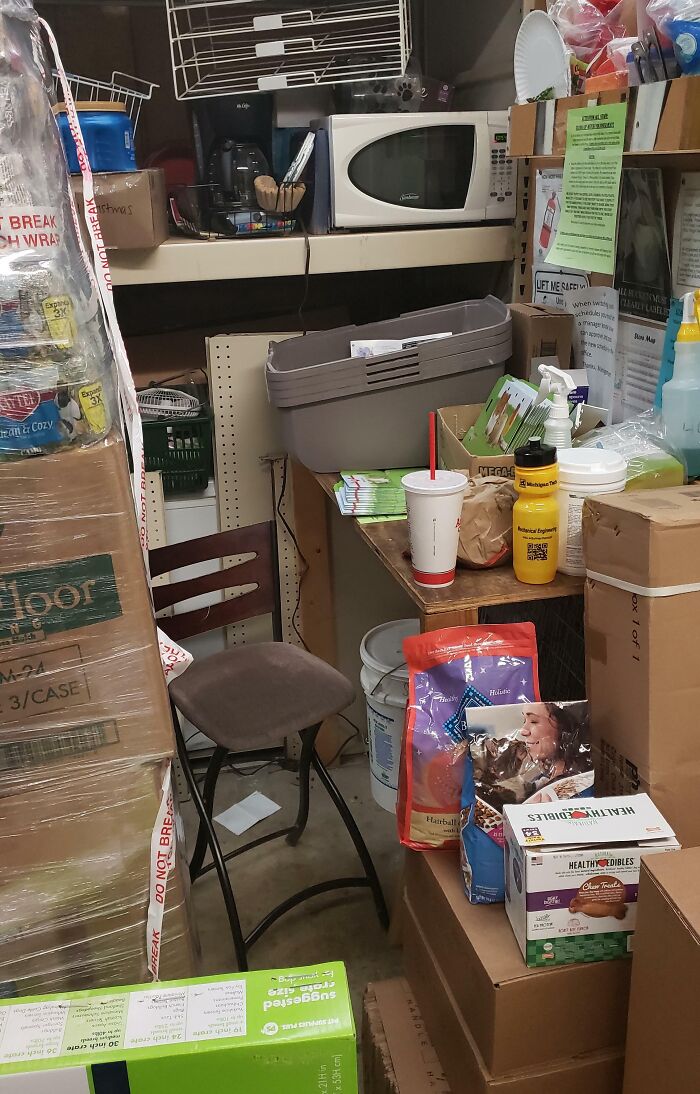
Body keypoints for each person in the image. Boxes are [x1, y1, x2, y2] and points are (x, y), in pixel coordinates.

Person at [519, 702, 591, 800]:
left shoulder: (587, 789)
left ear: (564, 727)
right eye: (524, 720)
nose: (523, 731)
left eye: (533, 721)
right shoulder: (538, 782)